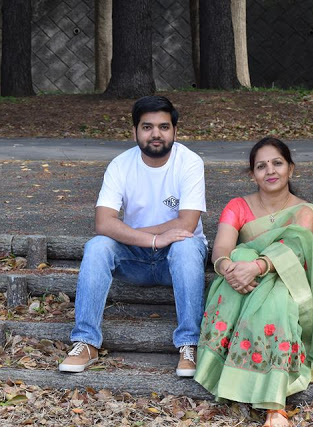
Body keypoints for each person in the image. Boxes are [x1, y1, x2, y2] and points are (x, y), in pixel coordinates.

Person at [195, 137, 313, 427]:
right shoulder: (237, 206)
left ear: (290, 169)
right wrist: (230, 268)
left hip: (288, 281)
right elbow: (221, 249)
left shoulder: (305, 211)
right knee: (246, 277)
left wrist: (257, 267)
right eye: (261, 166)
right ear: (252, 174)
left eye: (277, 163)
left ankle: (275, 402)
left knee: (277, 301)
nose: (270, 171)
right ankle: (257, 392)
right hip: (240, 282)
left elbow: (294, 253)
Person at [58, 95, 207, 377]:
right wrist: (151, 240)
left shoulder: (189, 162)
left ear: (175, 131)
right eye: (147, 126)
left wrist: (135, 234)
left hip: (175, 255)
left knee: (186, 245)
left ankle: (190, 344)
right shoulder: (120, 165)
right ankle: (86, 342)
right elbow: (103, 223)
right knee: (98, 246)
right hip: (134, 257)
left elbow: (186, 224)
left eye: (164, 127)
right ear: (135, 131)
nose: (156, 134)